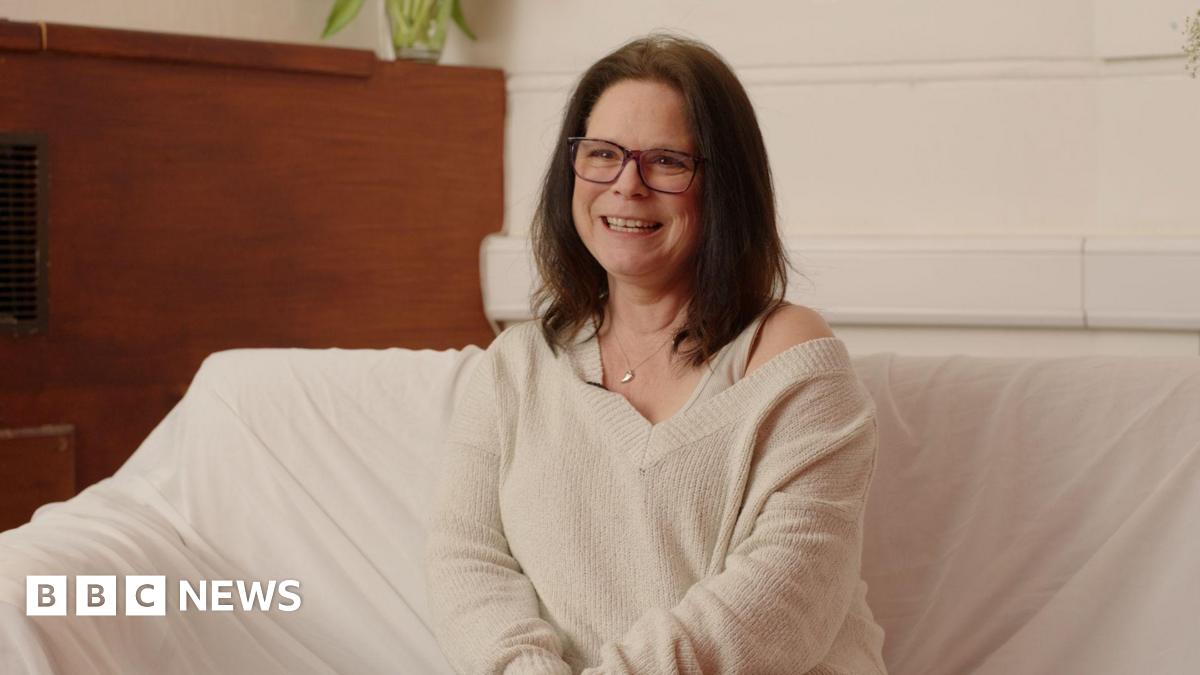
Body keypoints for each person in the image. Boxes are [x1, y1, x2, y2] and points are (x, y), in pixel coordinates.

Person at [425, 33, 887, 675]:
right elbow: (466, 558)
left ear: (724, 187)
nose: (627, 185)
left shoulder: (795, 365)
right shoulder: (514, 367)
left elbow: (783, 601)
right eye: (603, 154)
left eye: (666, 161)